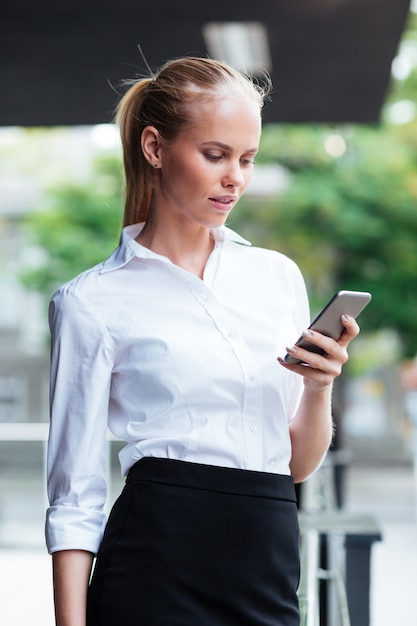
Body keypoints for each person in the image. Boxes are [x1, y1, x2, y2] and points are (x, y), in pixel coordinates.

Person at [45, 56, 359, 626]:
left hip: (266, 561)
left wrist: (318, 388)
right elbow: (74, 497)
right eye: (214, 155)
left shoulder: (276, 277)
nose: (235, 176)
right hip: (153, 569)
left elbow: (294, 466)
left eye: (247, 159)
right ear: (154, 147)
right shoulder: (90, 302)